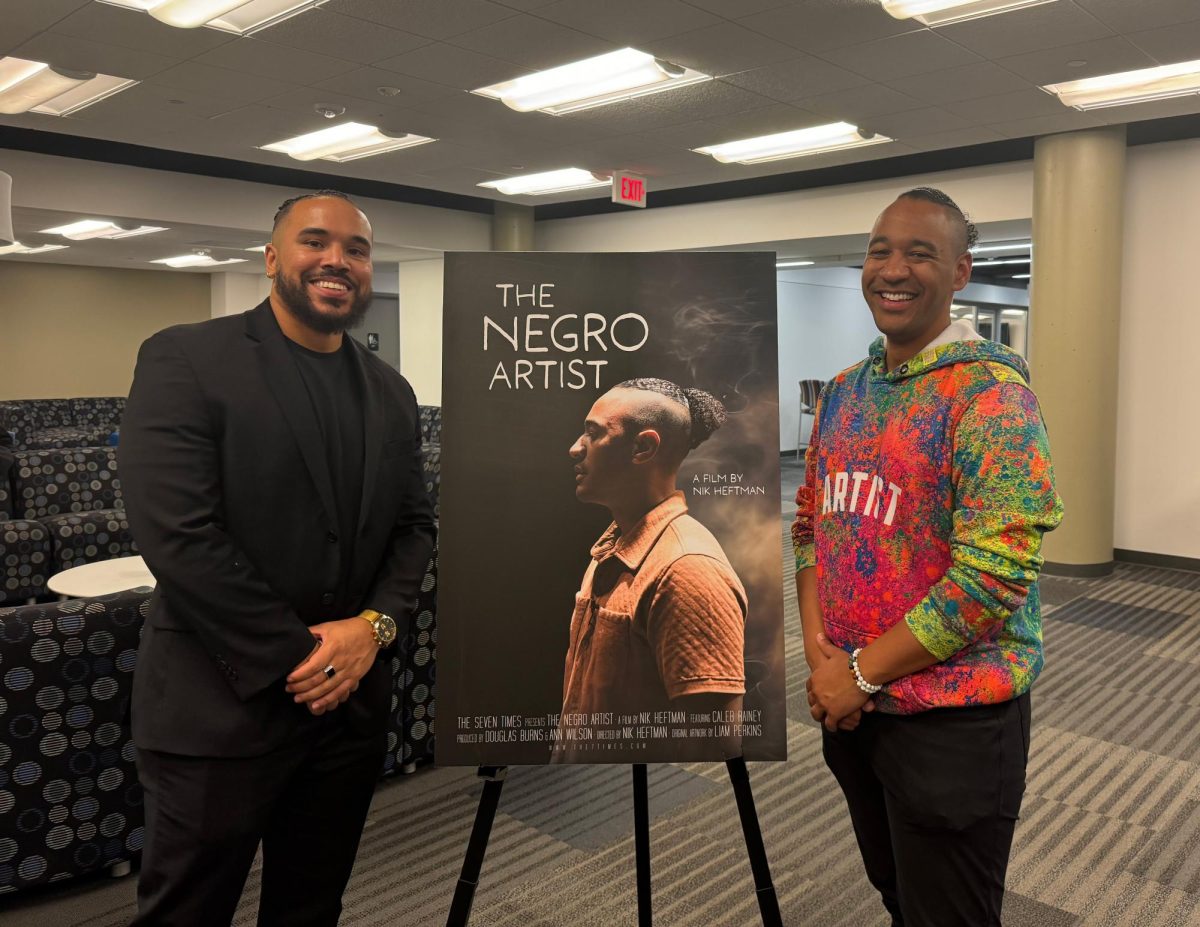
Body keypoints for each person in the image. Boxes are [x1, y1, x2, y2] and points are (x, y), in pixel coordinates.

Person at [120, 190, 436, 926]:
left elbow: (414, 528)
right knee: (185, 913)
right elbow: (179, 535)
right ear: (271, 258)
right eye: (315, 241)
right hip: (217, 711)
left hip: (345, 715)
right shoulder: (187, 357)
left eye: (356, 249)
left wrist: (373, 629)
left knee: (310, 905)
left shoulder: (391, 392)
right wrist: (305, 658)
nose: (337, 260)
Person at [793, 187, 1063, 926]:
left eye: (921, 252)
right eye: (881, 249)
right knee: (900, 897)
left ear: (961, 271)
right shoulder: (847, 390)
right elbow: (812, 525)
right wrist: (822, 653)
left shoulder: (992, 395)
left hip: (952, 724)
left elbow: (993, 576)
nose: (895, 268)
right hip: (854, 709)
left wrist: (856, 671)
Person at [556, 378, 746, 762]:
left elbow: (711, 744)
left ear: (643, 447)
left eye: (593, 434)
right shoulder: (614, 547)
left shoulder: (686, 571)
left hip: (610, 802)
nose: (575, 448)